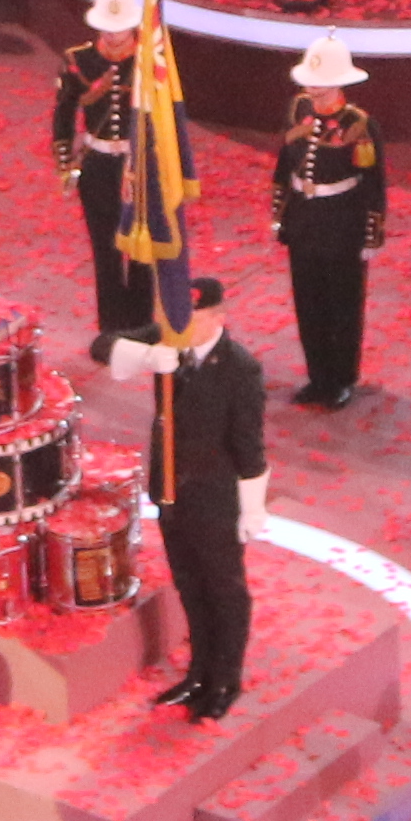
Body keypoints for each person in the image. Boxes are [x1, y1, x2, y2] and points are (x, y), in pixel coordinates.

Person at [146, 270, 264, 720]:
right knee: (189, 586)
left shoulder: (239, 369)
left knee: (224, 590)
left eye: (196, 316)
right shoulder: (169, 351)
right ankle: (198, 673)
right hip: (172, 492)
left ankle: (226, 678)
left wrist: (251, 505)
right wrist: (144, 354)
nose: (186, 324)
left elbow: (248, 443)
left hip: (215, 498)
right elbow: (106, 343)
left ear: (219, 316)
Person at [271, 43, 386, 410]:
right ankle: (317, 376)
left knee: (342, 304)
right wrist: (282, 215)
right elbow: (284, 167)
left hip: (342, 222)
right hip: (305, 218)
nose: (314, 90)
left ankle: (342, 378)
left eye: (322, 83)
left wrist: (371, 232)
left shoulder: (359, 126)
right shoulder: (297, 110)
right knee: (309, 301)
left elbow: (372, 182)